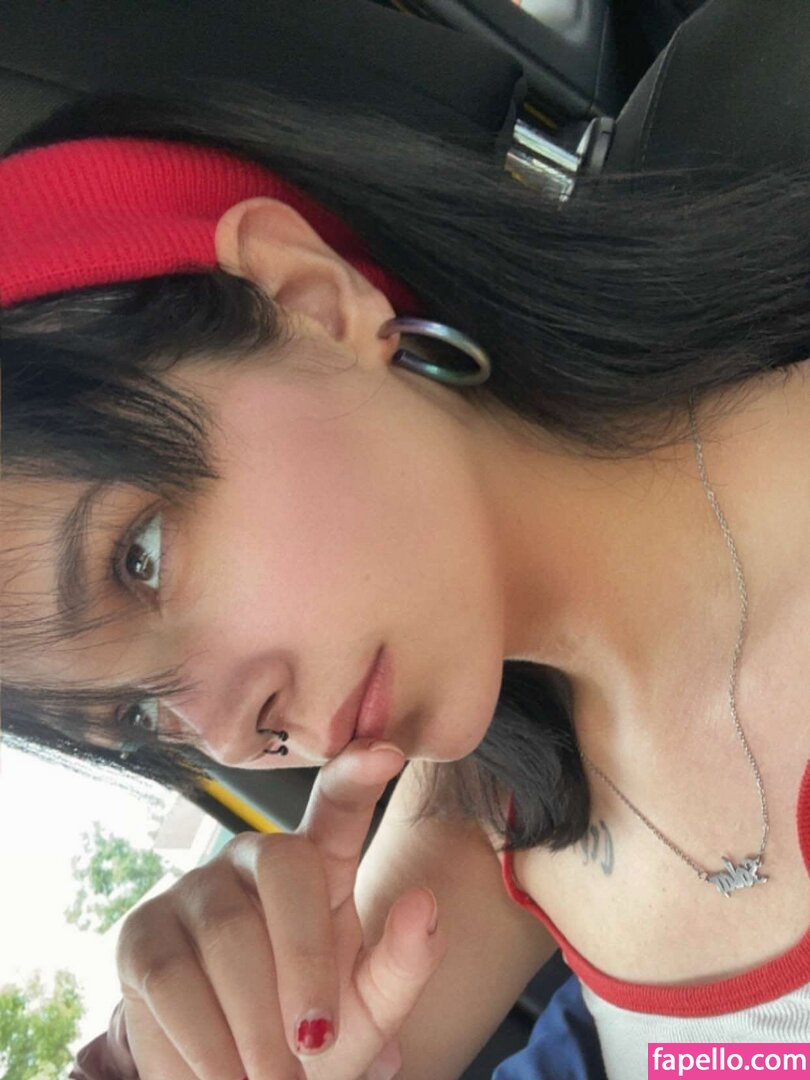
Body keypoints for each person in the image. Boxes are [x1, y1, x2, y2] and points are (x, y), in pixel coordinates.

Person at [1, 77, 808, 1080]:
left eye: (141, 559)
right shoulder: (487, 819)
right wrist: (188, 1043)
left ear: (311, 301)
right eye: (136, 717)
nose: (232, 735)